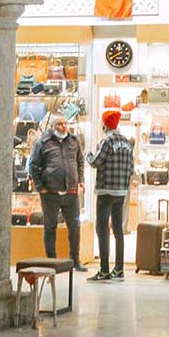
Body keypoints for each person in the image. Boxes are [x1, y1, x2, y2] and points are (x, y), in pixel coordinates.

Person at [28, 115, 86, 271]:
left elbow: (80, 161)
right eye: (60, 124)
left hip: (71, 193)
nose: (64, 126)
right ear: (53, 126)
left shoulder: (74, 141)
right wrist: (40, 187)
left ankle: (75, 260)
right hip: (50, 193)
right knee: (50, 227)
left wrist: (81, 180)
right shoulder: (43, 142)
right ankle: (51, 261)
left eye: (65, 123)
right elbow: (33, 165)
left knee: (74, 226)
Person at [87, 109, 134, 282]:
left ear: (105, 124)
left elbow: (95, 162)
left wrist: (88, 155)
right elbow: (131, 169)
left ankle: (104, 269)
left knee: (102, 229)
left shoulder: (106, 141)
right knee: (118, 230)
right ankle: (119, 269)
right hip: (121, 192)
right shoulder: (127, 142)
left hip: (105, 190)